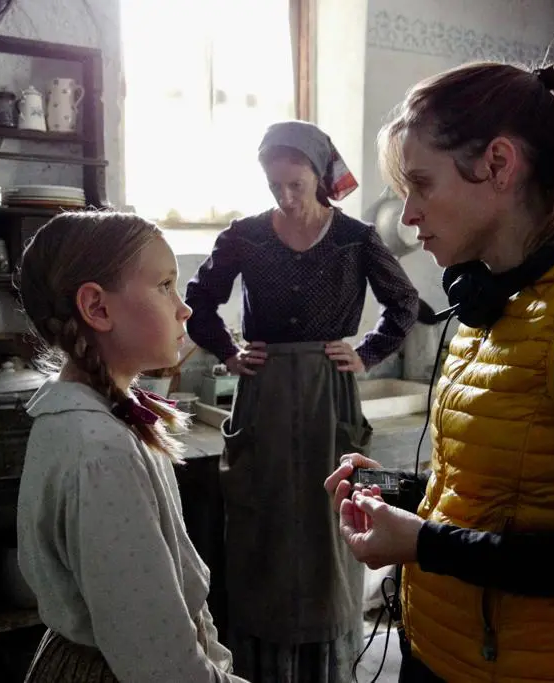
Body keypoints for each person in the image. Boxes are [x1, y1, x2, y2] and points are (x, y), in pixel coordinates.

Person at [324, 56, 554, 683]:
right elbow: (495, 498)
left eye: (421, 184)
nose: (408, 215)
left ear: (498, 165)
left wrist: (422, 545)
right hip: (442, 649)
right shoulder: (490, 300)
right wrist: (391, 492)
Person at [185, 120, 420, 682]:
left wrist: (366, 353)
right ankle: (254, 667)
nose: (286, 197)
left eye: (296, 183)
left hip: (328, 395)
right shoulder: (244, 236)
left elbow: (405, 302)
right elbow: (198, 299)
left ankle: (326, 666)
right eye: (275, 186)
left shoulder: (356, 238)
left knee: (330, 516)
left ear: (319, 176)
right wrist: (229, 351)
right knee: (259, 517)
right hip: (262, 393)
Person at [15, 212, 247, 683]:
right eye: (164, 285)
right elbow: (161, 667)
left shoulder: (96, 417)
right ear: (97, 308)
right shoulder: (103, 451)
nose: (184, 309)